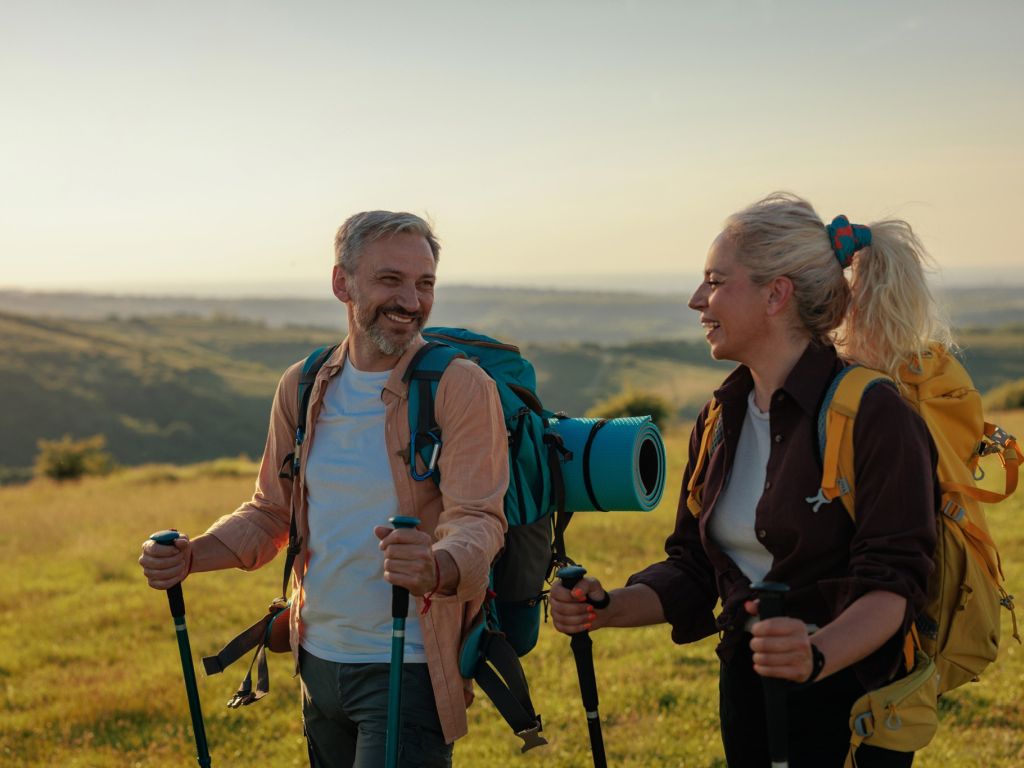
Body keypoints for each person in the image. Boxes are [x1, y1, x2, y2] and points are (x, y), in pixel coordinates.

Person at [550, 192, 942, 767]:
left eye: (714, 281)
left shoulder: (875, 416)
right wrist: (609, 607)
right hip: (747, 693)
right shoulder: (720, 417)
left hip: (850, 704)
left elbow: (894, 584)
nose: (696, 300)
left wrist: (811, 654)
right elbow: (693, 566)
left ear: (775, 294)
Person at [139, 211, 509, 767]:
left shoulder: (459, 386)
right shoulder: (304, 384)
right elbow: (271, 512)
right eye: (391, 280)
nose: (411, 300)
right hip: (317, 662)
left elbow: (480, 519)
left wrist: (435, 564)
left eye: (424, 283)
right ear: (343, 283)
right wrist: (193, 556)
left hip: (407, 665)